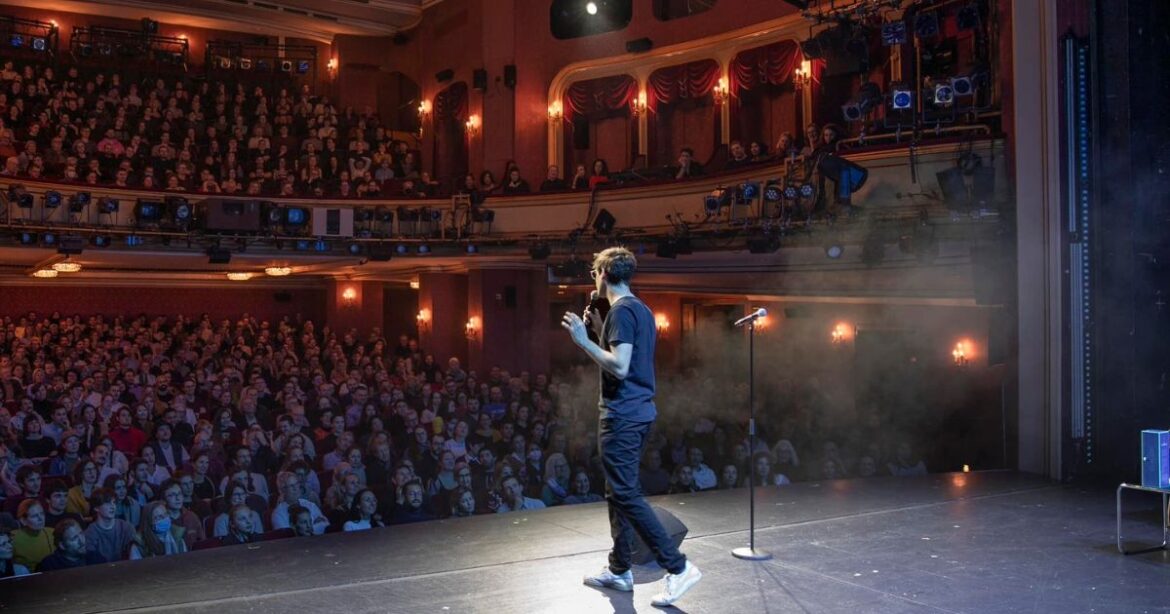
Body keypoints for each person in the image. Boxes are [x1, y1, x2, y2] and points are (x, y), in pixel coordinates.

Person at [561, 246, 701, 607]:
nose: (593, 278)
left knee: (625, 494)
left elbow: (620, 367)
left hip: (622, 415)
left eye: (594, 272)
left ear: (603, 274)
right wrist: (596, 333)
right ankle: (620, 568)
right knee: (616, 492)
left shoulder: (622, 311)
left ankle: (678, 567)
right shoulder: (637, 309)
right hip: (634, 413)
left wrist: (582, 341)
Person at [83, 488, 135, 562]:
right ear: (96, 508)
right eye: (107, 503)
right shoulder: (90, 533)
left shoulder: (126, 527)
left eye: (114, 502)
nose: (112, 506)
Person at [37, 519, 104, 572]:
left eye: (81, 533)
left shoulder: (95, 559)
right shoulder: (49, 566)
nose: (81, 541)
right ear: (62, 545)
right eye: (74, 538)